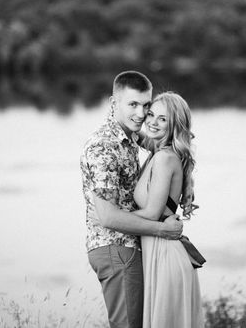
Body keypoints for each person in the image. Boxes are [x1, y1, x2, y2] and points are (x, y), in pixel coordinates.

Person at [80, 71, 183, 328]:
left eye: (146, 106)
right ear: (114, 103)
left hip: (128, 247)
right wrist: (164, 229)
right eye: (133, 104)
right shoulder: (104, 146)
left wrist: (187, 181)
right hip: (117, 248)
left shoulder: (130, 137)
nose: (141, 114)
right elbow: (108, 217)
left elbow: (172, 145)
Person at [132, 91, 204, 328]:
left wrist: (109, 217)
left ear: (175, 124)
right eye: (150, 114)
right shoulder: (160, 152)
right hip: (158, 253)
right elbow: (136, 133)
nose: (152, 122)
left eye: (162, 119)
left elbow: (152, 214)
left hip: (166, 257)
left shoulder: (165, 158)